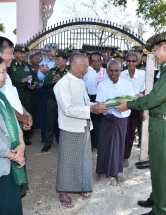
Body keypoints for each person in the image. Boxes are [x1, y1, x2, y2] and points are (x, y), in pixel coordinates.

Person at [115, 30, 166, 215]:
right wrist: (144, 97)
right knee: (157, 166)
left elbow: (156, 98)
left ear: (164, 47)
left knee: (162, 169)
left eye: (155, 50)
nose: (154, 55)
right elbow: (161, 96)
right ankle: (156, 199)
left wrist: (130, 104)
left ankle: (162, 210)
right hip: (162, 122)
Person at [54, 52, 108, 208]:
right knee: (67, 161)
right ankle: (63, 191)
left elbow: (84, 102)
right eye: (85, 66)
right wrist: (91, 109)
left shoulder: (80, 81)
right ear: (73, 64)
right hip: (70, 127)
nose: (87, 69)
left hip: (83, 125)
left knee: (83, 159)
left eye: (88, 66)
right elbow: (68, 109)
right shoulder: (62, 84)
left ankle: (80, 186)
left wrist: (97, 105)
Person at [0, 54, 26, 215]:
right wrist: (12, 155)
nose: (5, 76)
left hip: (10, 162)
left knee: (12, 205)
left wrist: (21, 143)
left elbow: (13, 121)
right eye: (2, 72)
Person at [96, 59, 134, 179]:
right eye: (111, 70)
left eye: (116, 70)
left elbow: (131, 102)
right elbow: (100, 103)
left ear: (120, 71)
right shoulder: (102, 84)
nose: (114, 73)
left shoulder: (127, 84)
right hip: (107, 119)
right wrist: (107, 106)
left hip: (121, 119)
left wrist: (123, 107)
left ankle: (116, 171)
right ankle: (101, 170)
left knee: (118, 145)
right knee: (103, 145)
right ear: (107, 71)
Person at [9, 45, 38, 145]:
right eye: (20, 53)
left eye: (24, 53)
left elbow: (35, 76)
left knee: (27, 113)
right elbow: (9, 81)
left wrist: (35, 83)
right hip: (16, 92)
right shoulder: (11, 65)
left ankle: (26, 137)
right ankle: (16, 136)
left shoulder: (27, 65)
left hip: (26, 92)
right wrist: (22, 80)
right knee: (16, 113)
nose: (23, 55)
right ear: (15, 53)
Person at [120, 51, 145, 167]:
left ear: (137, 61)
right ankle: (119, 154)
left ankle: (126, 156)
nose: (131, 63)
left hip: (135, 107)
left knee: (130, 132)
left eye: (133, 61)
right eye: (129, 60)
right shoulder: (121, 74)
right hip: (123, 106)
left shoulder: (142, 74)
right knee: (121, 132)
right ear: (125, 61)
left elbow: (144, 92)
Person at [41, 52, 69, 152]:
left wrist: (61, 80)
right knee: (50, 122)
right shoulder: (52, 71)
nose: (56, 62)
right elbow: (45, 84)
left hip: (65, 102)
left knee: (65, 124)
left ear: (65, 60)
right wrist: (52, 82)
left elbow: (74, 84)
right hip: (52, 100)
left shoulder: (70, 71)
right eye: (55, 60)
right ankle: (47, 143)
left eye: (59, 60)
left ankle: (64, 144)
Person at [83, 52, 108, 149]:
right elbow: (84, 87)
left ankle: (101, 143)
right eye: (93, 61)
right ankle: (92, 142)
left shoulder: (106, 72)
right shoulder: (87, 73)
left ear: (101, 61)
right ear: (90, 62)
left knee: (102, 123)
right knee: (91, 122)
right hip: (90, 99)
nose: (96, 63)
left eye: (98, 61)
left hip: (103, 99)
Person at [38, 44, 56, 143]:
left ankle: (58, 137)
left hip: (60, 90)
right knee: (45, 114)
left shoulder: (61, 61)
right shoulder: (43, 62)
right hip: (46, 90)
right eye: (47, 52)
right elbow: (40, 77)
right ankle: (45, 137)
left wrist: (48, 72)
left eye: (50, 51)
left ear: (55, 51)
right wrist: (47, 74)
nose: (49, 53)